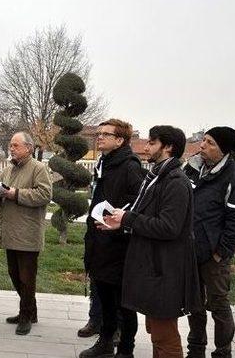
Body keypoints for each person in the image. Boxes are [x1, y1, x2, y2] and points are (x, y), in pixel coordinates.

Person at [101, 125, 201, 358]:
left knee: (164, 335)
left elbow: (169, 226)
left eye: (152, 143)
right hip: (154, 267)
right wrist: (122, 221)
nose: (145, 148)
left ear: (168, 147)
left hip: (165, 269)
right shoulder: (157, 176)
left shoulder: (175, 181)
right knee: (156, 331)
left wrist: (128, 218)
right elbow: (146, 217)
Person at [183, 126, 235, 358]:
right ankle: (196, 349)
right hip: (190, 250)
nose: (202, 145)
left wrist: (220, 252)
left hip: (215, 255)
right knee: (194, 303)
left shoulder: (234, 175)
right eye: (203, 140)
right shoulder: (192, 168)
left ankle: (223, 351)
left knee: (218, 304)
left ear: (223, 150)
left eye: (210, 143)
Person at [80, 119, 144, 358]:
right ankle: (105, 341)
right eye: (98, 133)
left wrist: (117, 217)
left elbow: (138, 201)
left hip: (118, 245)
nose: (99, 137)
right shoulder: (105, 162)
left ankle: (126, 349)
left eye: (106, 134)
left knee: (123, 305)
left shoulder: (129, 165)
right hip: (99, 240)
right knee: (105, 299)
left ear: (120, 140)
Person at [0, 131, 52, 335]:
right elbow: (3, 190)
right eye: (10, 145)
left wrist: (15, 193)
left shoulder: (38, 168)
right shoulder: (9, 169)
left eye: (15, 145)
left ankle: (26, 315)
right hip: (10, 230)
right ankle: (31, 310)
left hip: (28, 232)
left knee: (27, 277)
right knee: (14, 274)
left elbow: (45, 194)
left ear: (29, 148)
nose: (11, 148)